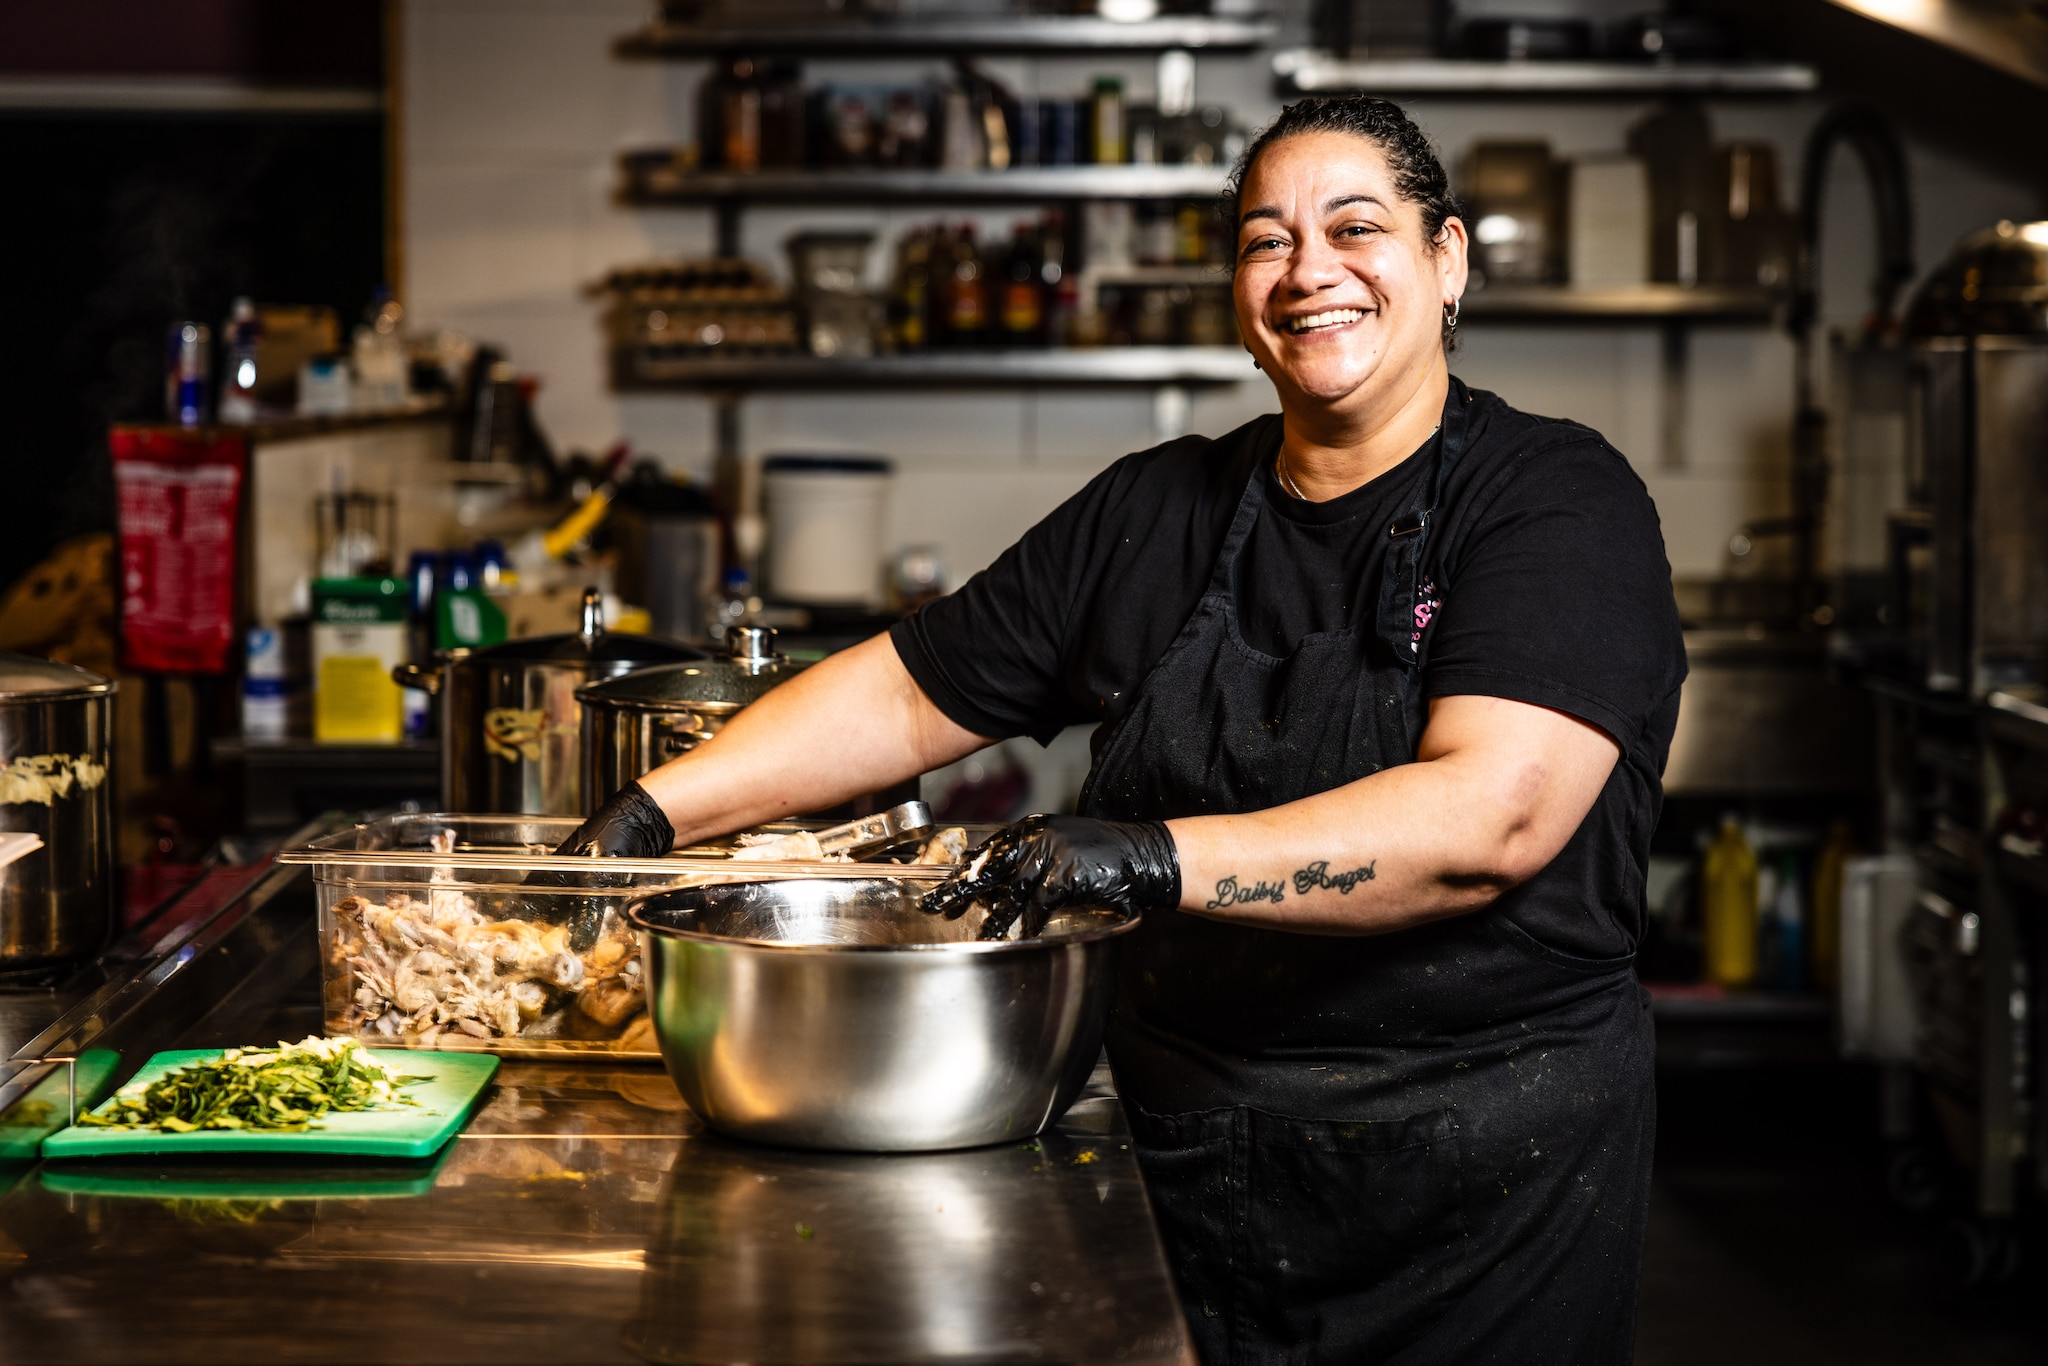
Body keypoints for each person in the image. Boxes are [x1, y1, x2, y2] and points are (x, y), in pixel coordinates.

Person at [564, 96, 1686, 1365]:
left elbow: (1491, 816)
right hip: (1184, 1164)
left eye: (1354, 227)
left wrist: (1150, 857)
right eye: (1266, 240)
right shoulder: (1160, 508)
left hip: (1474, 1195)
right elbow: (906, 688)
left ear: (1446, 259)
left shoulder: (1554, 501)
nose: (1308, 269)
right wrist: (659, 812)